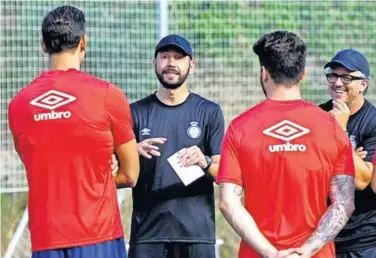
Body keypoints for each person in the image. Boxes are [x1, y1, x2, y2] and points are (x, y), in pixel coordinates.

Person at [7, 5, 139, 258]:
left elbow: (32, 162)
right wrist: (99, 176)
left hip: (45, 239)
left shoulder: (19, 105)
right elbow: (131, 175)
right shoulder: (107, 96)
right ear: (83, 43)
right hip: (99, 237)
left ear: (43, 45)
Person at [216, 31, 355, 258]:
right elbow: (344, 204)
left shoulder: (240, 127)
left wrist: (270, 252)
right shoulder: (332, 128)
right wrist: (308, 249)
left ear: (264, 74)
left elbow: (228, 203)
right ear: (303, 74)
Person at [127, 34, 225, 258]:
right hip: (147, 235)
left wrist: (205, 161)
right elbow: (114, 171)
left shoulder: (209, 112)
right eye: (165, 57)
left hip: (196, 236)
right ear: (154, 64)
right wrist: (132, 152)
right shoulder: (134, 113)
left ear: (192, 65)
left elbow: (223, 174)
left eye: (179, 57)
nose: (171, 63)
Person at [319, 49, 376, 258]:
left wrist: (341, 132)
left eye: (347, 77)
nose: (337, 82)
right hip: (323, 236)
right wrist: (351, 157)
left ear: (363, 84)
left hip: (363, 240)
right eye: (333, 75)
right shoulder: (317, 116)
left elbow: (362, 180)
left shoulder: (373, 121)